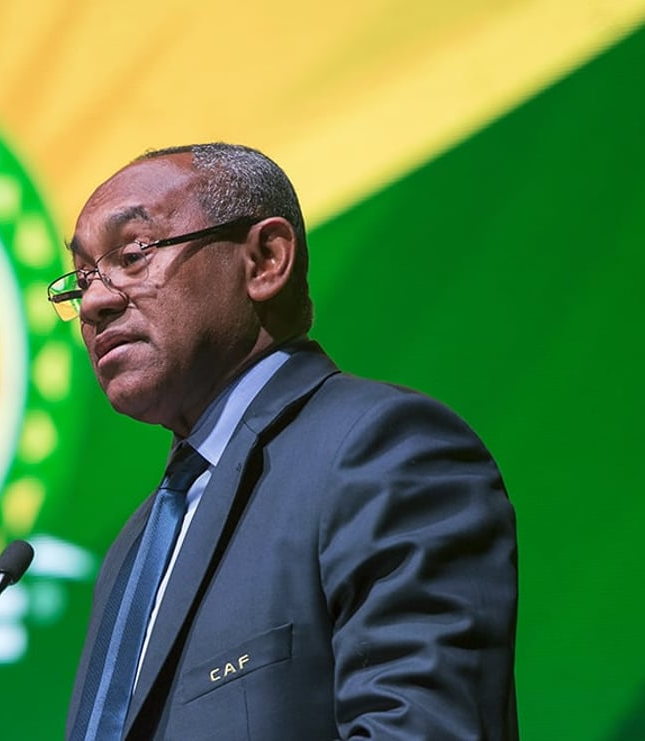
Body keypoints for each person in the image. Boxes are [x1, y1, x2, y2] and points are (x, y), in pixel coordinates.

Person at [50, 143, 518, 740]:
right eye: (82, 278)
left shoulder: (383, 450)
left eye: (134, 254)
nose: (94, 302)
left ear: (265, 260)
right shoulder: (135, 548)